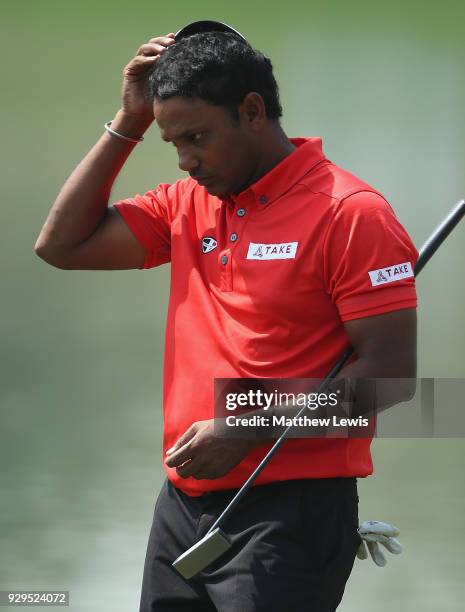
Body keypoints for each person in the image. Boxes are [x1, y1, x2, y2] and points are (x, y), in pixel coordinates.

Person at [35, 24, 417, 612]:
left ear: (253, 111)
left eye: (198, 138)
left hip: (290, 511)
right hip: (184, 508)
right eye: (173, 143)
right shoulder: (188, 203)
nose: (186, 160)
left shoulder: (350, 214)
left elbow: (393, 376)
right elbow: (61, 246)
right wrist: (129, 121)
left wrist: (247, 425)